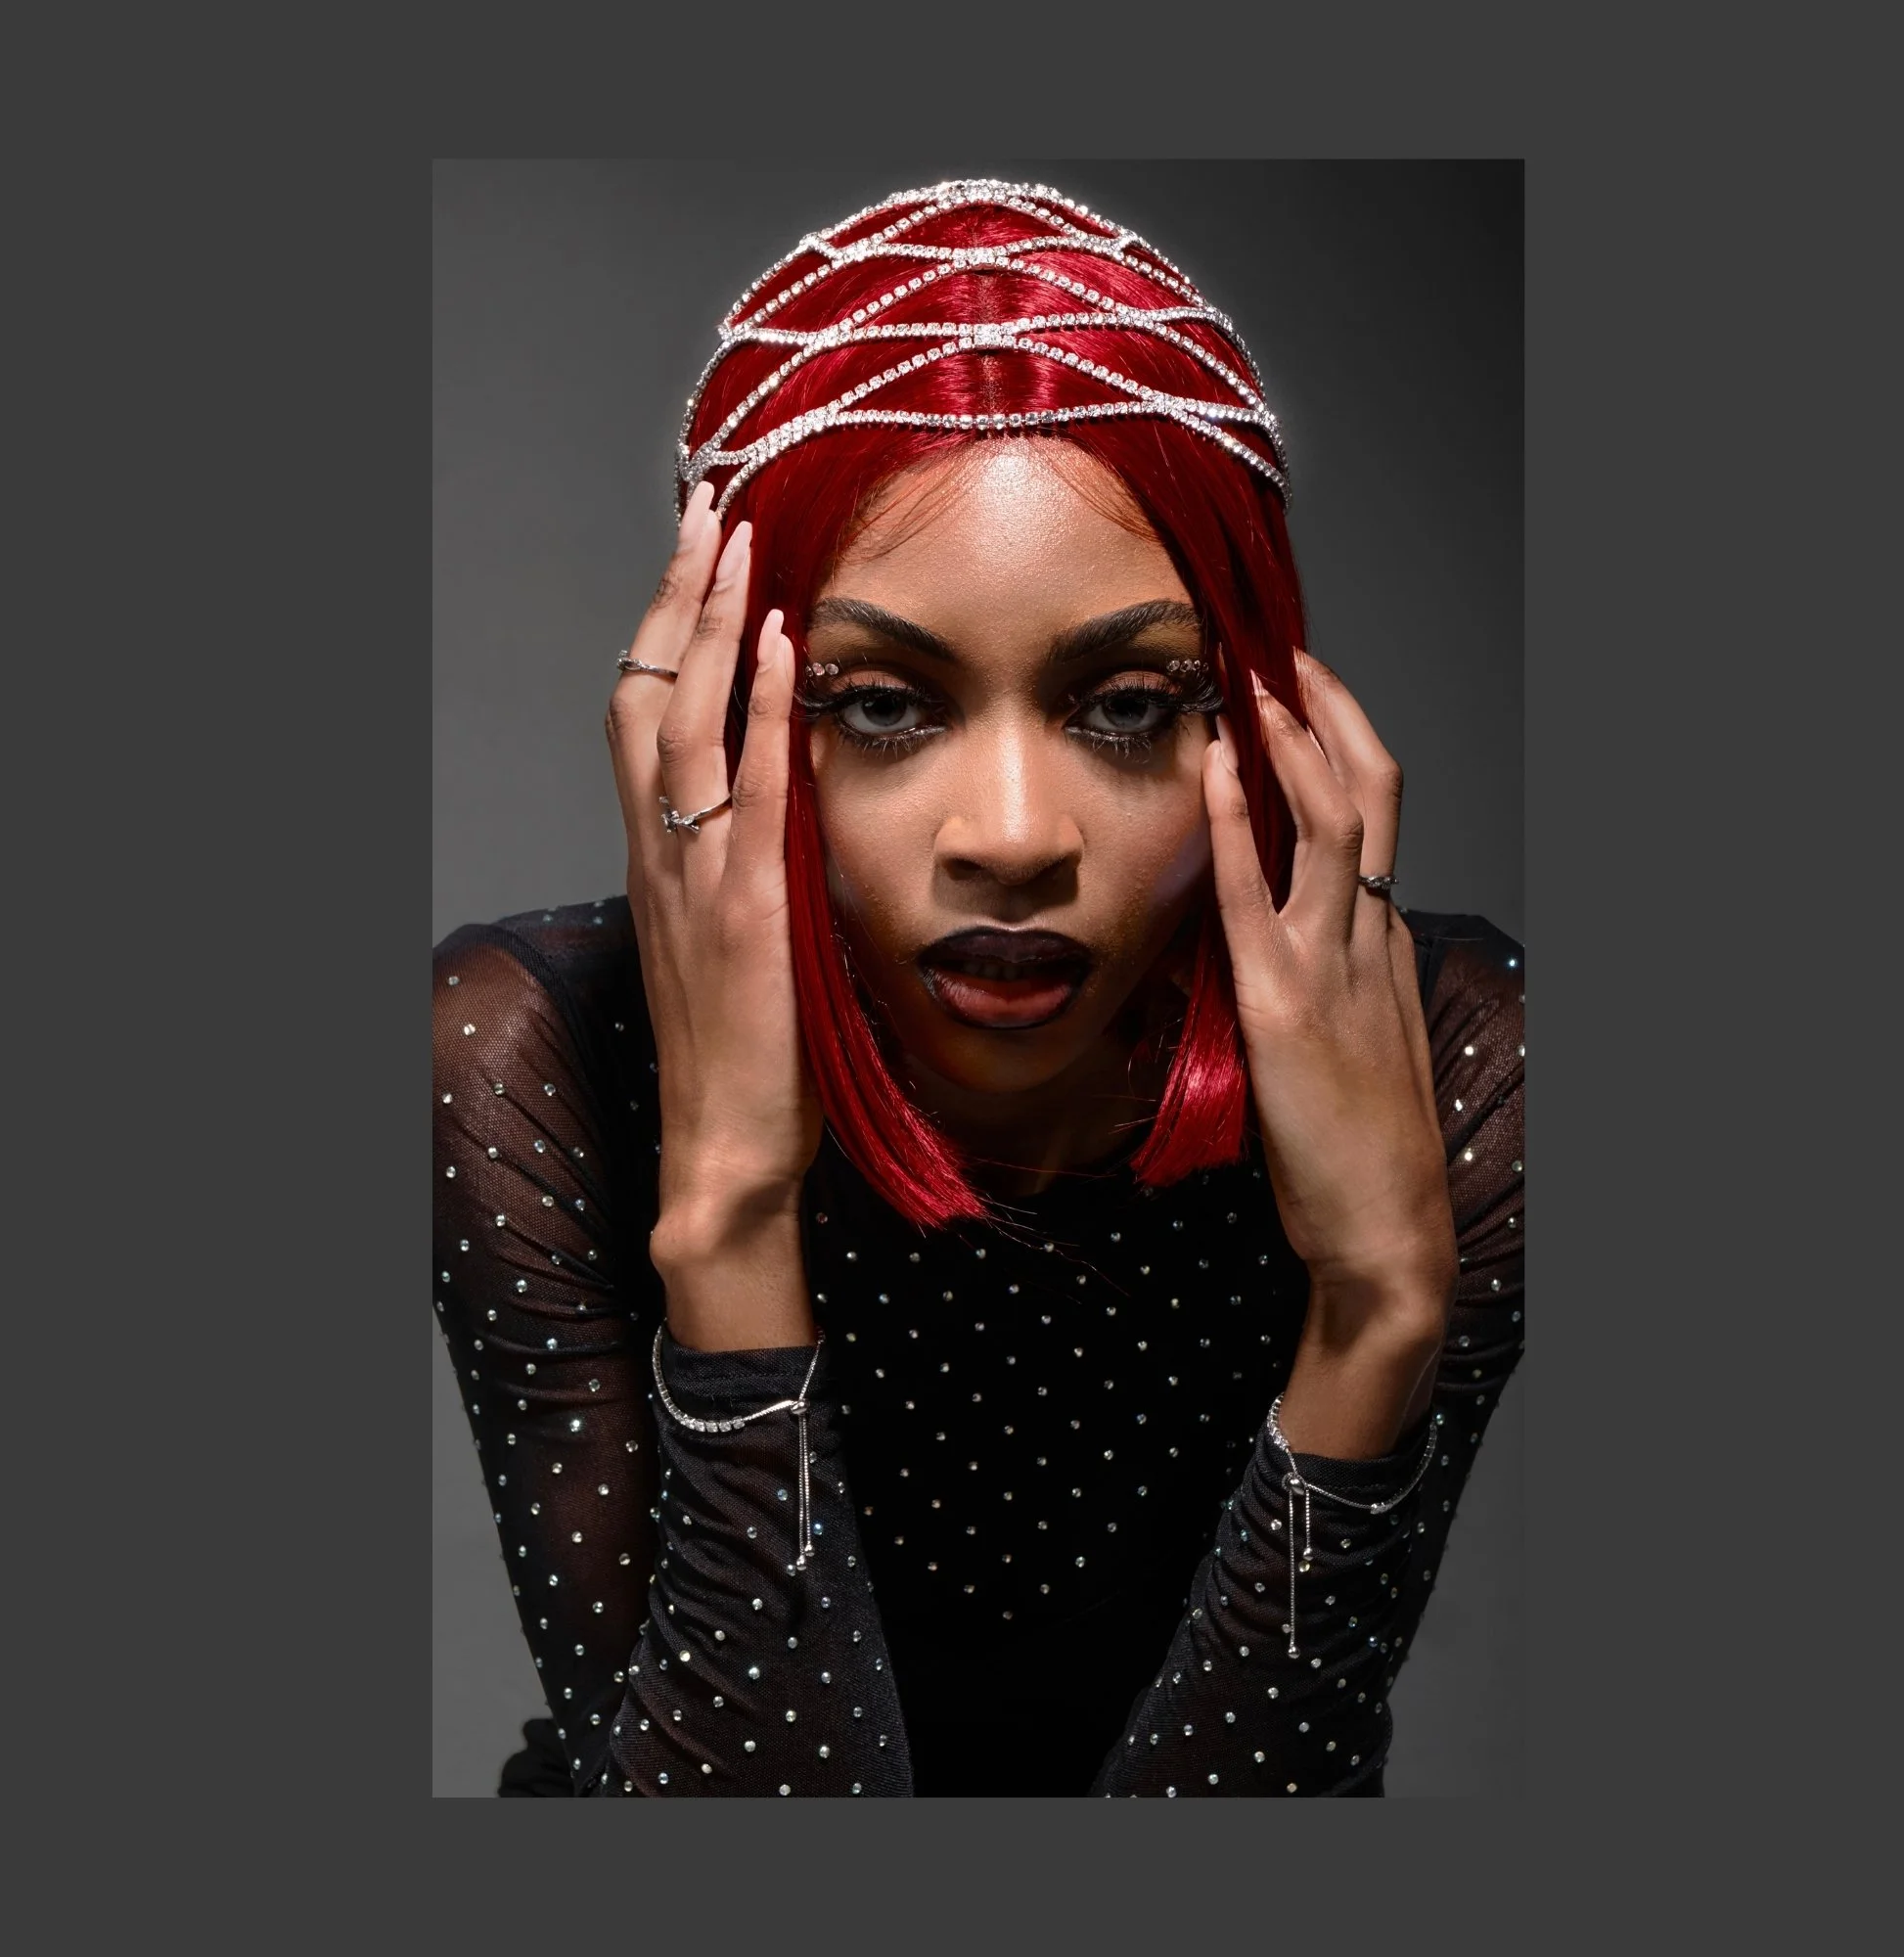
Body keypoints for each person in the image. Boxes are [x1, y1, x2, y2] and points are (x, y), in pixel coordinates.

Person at [433, 179, 1523, 1797]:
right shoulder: (531, 1057)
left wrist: (1377, 1315)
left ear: (1260, 717)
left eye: (1129, 705)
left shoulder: (1452, 1068)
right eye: (880, 707)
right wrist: (727, 1215)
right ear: (720, 722)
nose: (1012, 838)